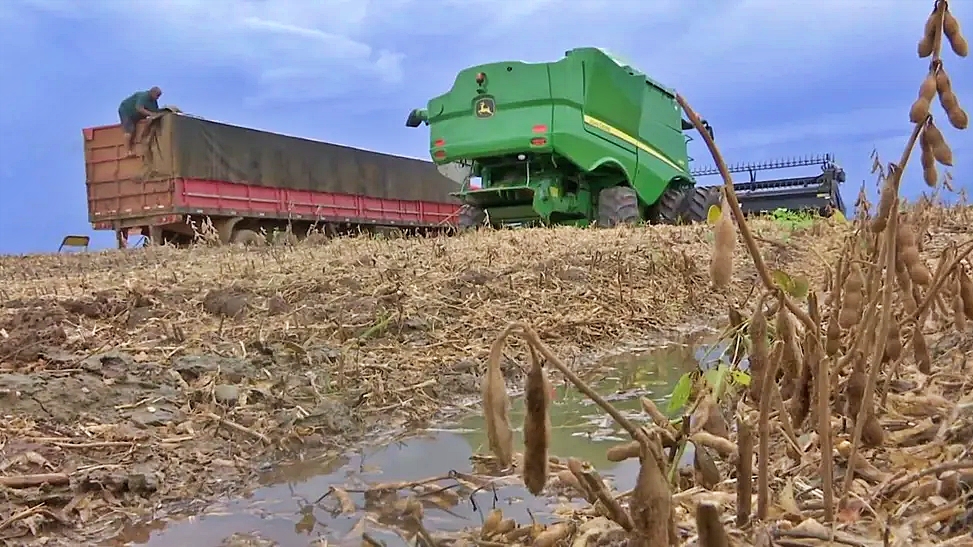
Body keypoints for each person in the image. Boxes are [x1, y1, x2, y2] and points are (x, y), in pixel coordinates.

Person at [118, 87, 163, 156]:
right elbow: (139, 108)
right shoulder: (143, 96)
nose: (157, 98)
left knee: (136, 130)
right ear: (152, 93)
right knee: (129, 130)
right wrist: (151, 114)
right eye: (157, 95)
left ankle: (133, 148)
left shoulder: (153, 102)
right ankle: (127, 152)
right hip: (127, 111)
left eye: (159, 96)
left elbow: (156, 112)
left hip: (136, 116)